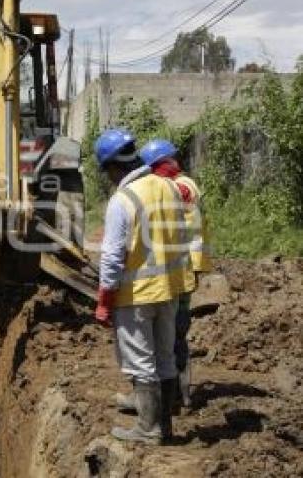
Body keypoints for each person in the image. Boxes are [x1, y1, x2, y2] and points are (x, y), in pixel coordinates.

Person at [93, 128, 189, 444]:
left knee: (142, 363)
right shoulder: (170, 188)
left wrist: (105, 299)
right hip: (170, 290)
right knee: (165, 358)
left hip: (135, 296)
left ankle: (148, 429)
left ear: (111, 167)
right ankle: (165, 427)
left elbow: (111, 256)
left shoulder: (123, 200)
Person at [140, 138, 212, 409]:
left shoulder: (179, 186)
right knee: (174, 329)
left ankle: (175, 397)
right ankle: (179, 393)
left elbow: (174, 206)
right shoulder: (183, 183)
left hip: (181, 268)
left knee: (173, 330)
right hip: (184, 265)